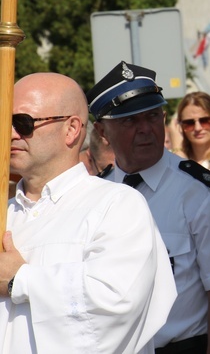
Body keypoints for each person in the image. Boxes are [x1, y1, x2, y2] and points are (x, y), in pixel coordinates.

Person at [88, 61, 210, 353]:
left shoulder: (200, 192)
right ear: (103, 131)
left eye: (152, 116)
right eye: (129, 121)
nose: (145, 130)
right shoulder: (97, 193)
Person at [5, 72, 176, 353]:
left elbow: (116, 303)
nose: (11, 133)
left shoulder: (117, 205)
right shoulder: (5, 214)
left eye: (23, 123)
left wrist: (20, 280)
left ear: (71, 129)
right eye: (5, 122)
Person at [175, 91, 210, 167]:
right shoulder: (171, 158)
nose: (197, 128)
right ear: (180, 125)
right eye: (189, 123)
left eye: (205, 121)